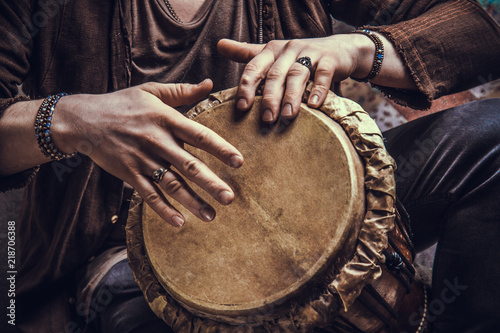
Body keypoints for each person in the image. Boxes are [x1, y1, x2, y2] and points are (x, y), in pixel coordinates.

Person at [0, 0, 499, 332]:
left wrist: (359, 48)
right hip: (122, 261)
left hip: (321, 196)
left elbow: (483, 29)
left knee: (491, 139)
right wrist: (65, 118)